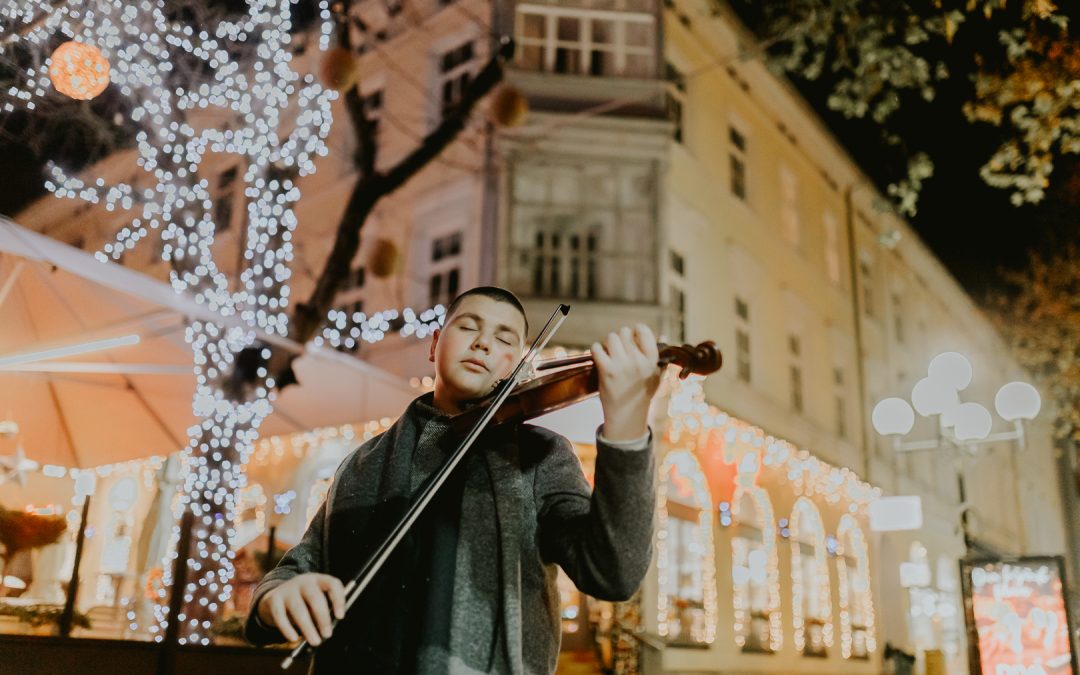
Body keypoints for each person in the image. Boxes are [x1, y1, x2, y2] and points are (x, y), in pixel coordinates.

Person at [245, 286, 661, 674]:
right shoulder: (362, 463)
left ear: (519, 366)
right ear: (433, 346)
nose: (483, 343)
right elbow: (303, 564)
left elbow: (612, 572)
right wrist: (274, 598)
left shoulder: (540, 456)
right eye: (468, 327)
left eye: (504, 339)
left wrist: (626, 425)